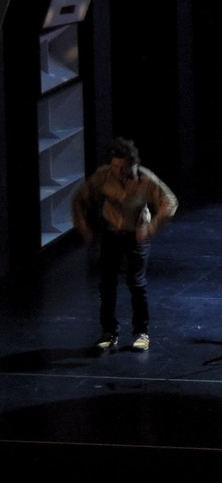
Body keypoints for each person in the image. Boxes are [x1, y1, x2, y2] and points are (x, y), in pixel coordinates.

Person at [72, 137, 179, 351]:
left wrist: (150, 228)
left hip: (136, 234)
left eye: (123, 167)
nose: (118, 171)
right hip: (111, 233)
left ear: (132, 163)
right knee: (107, 284)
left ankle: (141, 332)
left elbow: (170, 202)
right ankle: (109, 332)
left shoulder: (145, 179)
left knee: (136, 283)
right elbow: (79, 198)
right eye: (114, 166)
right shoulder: (103, 176)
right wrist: (83, 227)